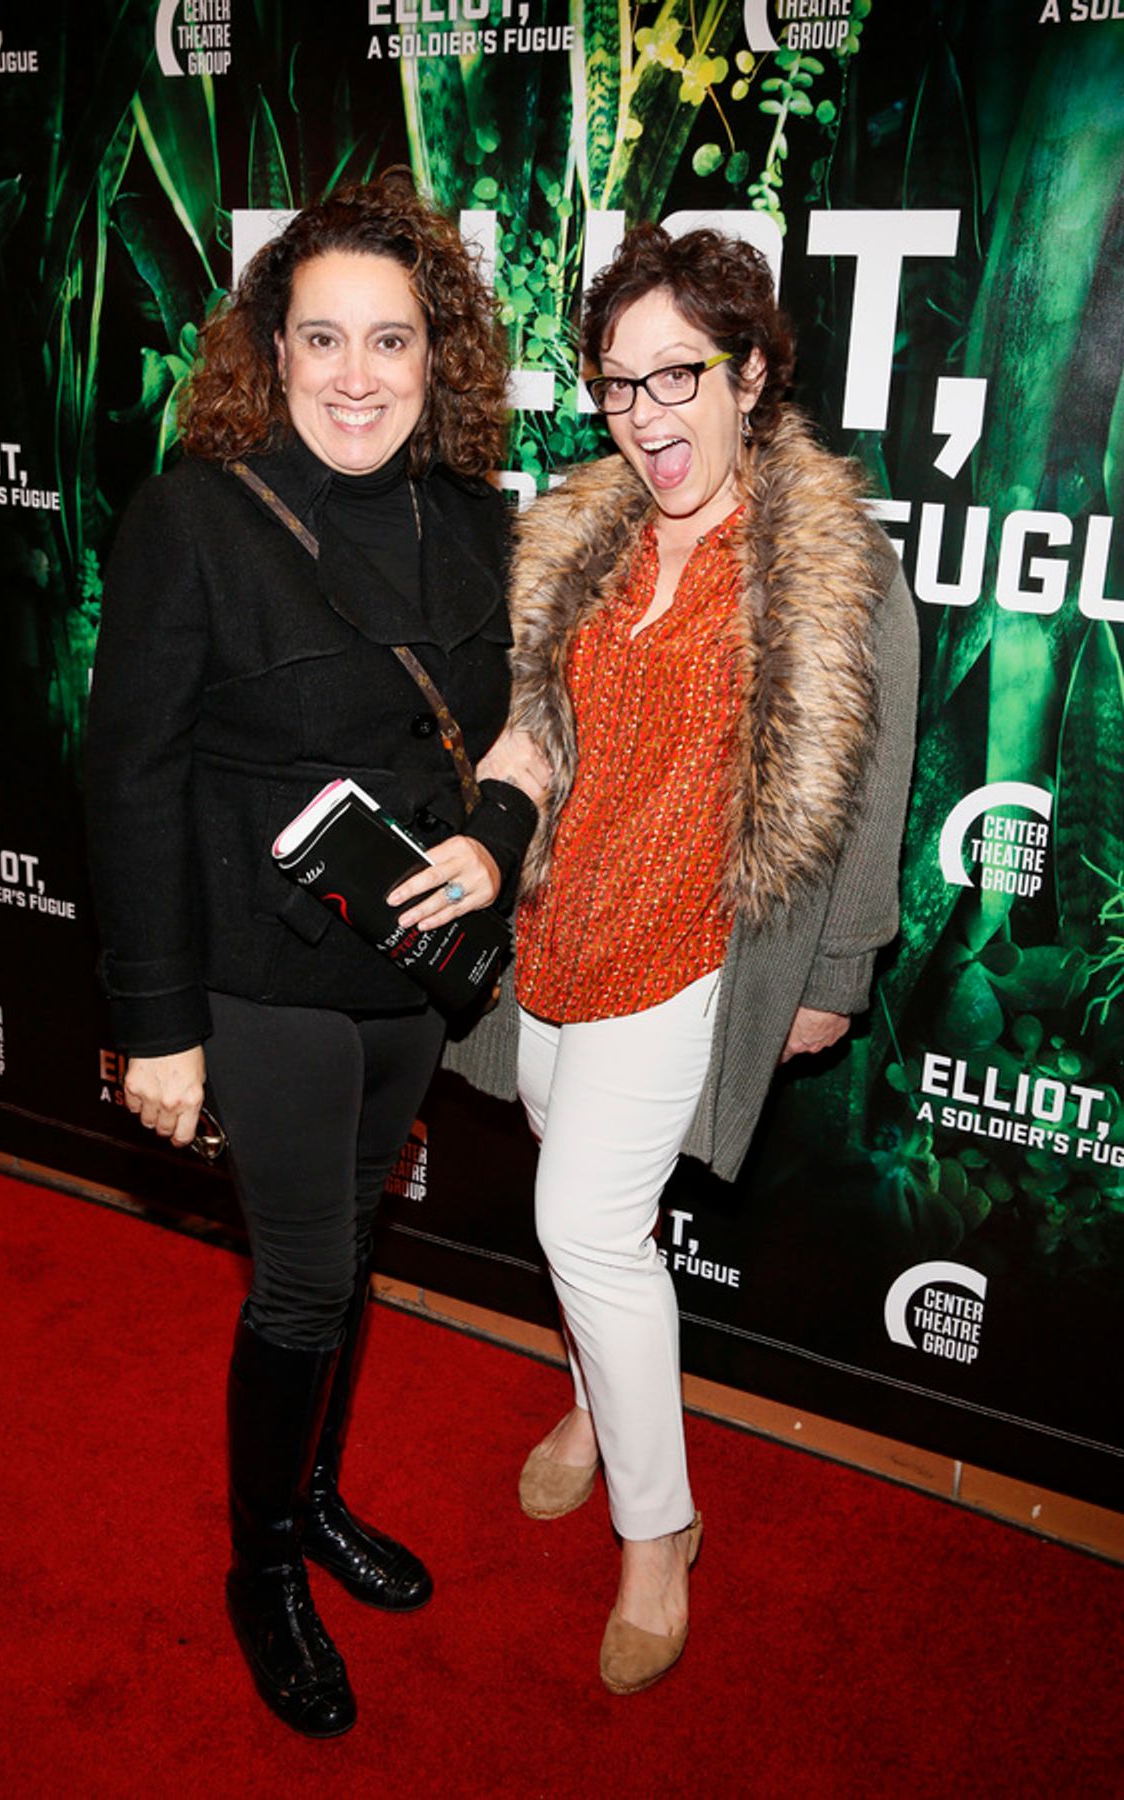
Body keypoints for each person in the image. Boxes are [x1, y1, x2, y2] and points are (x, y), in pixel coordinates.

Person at [84, 175, 545, 1738]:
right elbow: (131, 778)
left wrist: (495, 833)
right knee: (298, 1275)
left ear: (436, 356)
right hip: (255, 975)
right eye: (324, 339)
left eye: (391, 341)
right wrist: (157, 1024)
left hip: (406, 972)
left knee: (349, 1252)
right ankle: (265, 1567)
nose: (358, 376)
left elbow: (521, 729)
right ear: (270, 352)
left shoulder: (476, 521)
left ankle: (317, 1494)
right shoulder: (193, 519)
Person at [446, 223, 918, 1696]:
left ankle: (659, 1533)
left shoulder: (828, 564)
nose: (646, 413)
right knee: (577, 1189)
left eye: (678, 375)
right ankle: (600, 1400)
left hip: (695, 942)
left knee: (585, 1220)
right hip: (558, 924)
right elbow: (535, 732)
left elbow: (875, 788)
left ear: (750, 374)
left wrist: (835, 974)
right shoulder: (582, 539)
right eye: (617, 382)